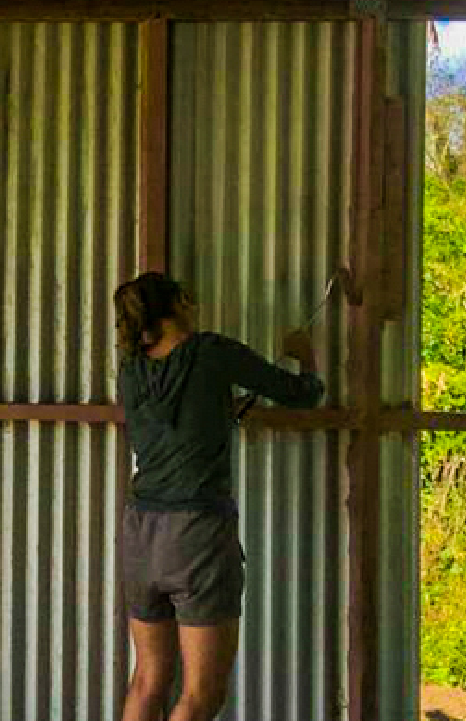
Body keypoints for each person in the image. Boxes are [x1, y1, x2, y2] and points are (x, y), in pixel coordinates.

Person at [113, 272, 327, 721]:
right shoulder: (212, 352)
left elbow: (174, 423)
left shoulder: (132, 370)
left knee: (148, 678)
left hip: (140, 533)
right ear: (181, 302)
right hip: (196, 535)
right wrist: (305, 354)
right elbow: (302, 394)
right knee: (201, 696)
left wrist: (218, 412)